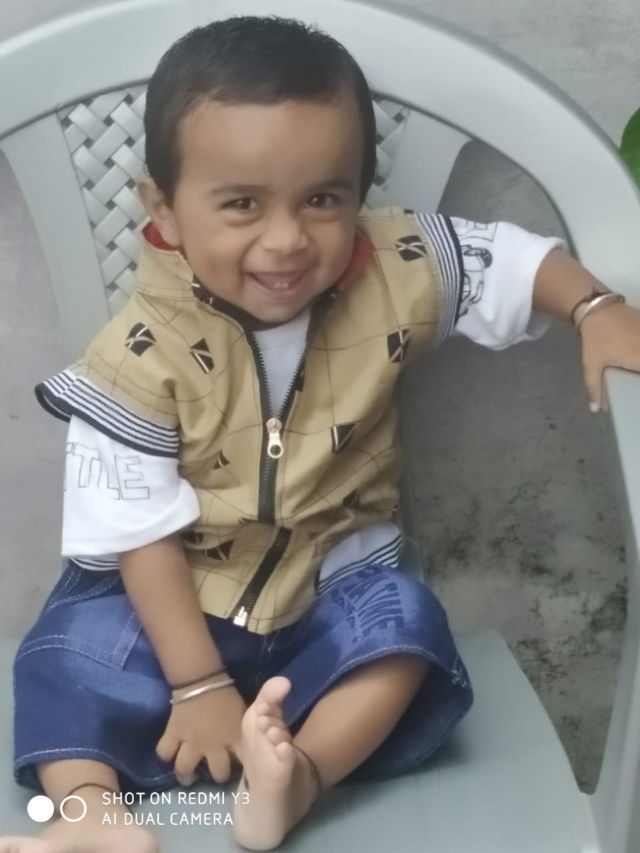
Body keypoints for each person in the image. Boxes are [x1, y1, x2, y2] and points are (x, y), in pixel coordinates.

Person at [3, 14, 640, 853]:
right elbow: (138, 534)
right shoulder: (137, 358)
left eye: (322, 199)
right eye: (241, 203)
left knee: (406, 628)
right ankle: (92, 815)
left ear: (358, 192)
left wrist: (595, 306)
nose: (286, 239)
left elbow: (512, 263)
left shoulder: (397, 266)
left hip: (325, 591)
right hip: (168, 604)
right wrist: (197, 683)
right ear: (165, 208)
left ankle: (298, 775)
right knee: (64, 654)